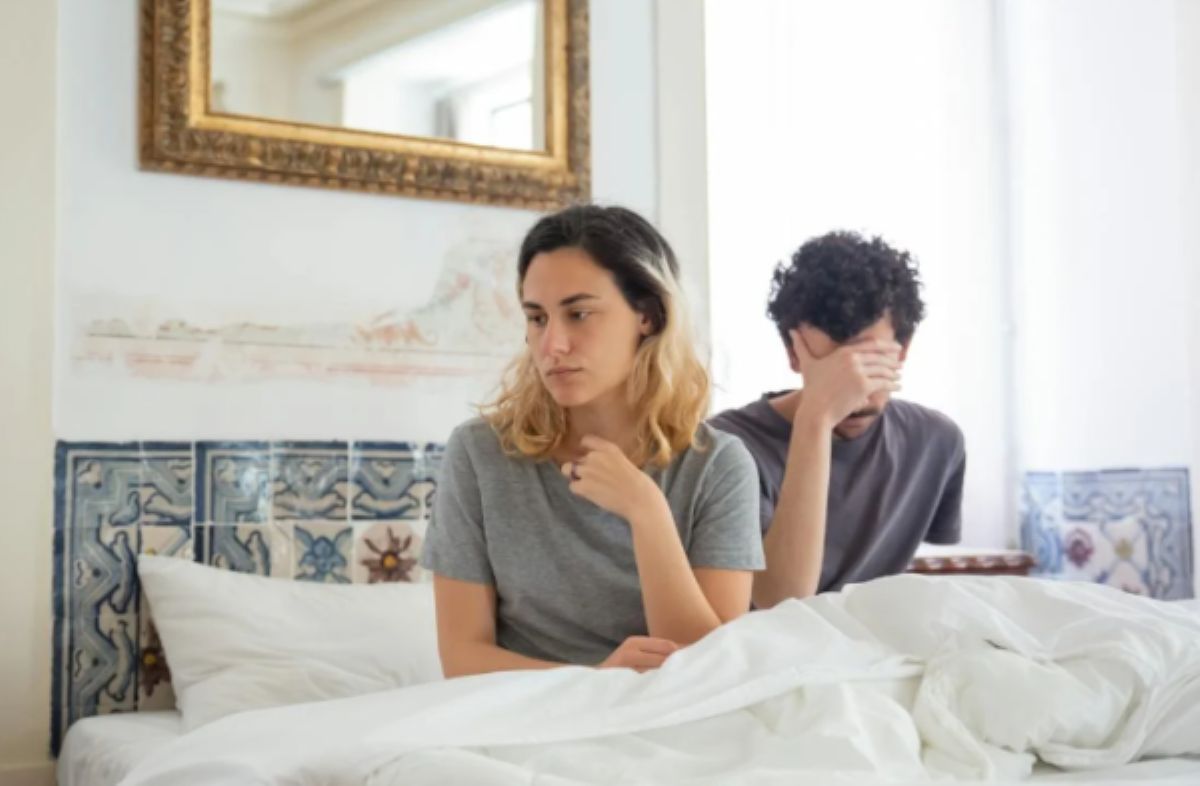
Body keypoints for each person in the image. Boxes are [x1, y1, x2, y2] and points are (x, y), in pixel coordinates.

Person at [422, 205, 764, 677]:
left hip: (671, 718)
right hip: (527, 716)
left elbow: (711, 668)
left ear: (647, 315)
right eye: (537, 318)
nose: (552, 345)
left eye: (579, 314)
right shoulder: (479, 454)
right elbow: (461, 658)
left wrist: (647, 512)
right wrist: (596, 682)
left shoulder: (719, 466)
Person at [710, 231, 965, 608]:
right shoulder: (724, 446)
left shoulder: (936, 441)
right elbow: (780, 599)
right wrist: (815, 420)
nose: (854, 392)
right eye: (834, 368)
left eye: (867, 362)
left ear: (903, 350)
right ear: (794, 354)